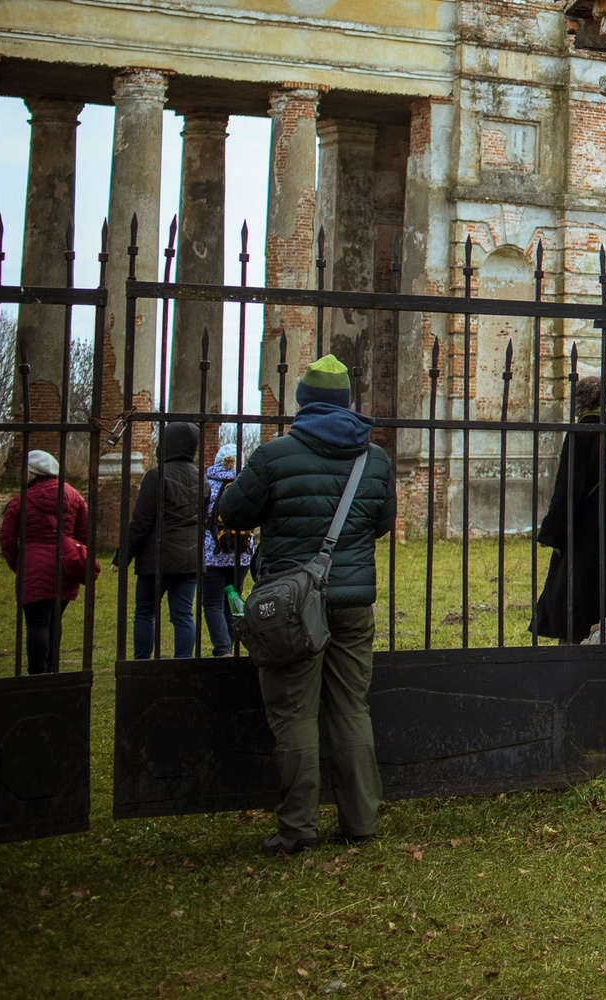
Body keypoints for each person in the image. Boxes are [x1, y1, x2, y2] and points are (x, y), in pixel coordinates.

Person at [209, 353, 396, 855]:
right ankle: (361, 821)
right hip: (353, 602)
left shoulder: (274, 456)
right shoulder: (375, 460)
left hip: (291, 605)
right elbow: (380, 524)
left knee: (294, 713)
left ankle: (297, 829)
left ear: (303, 403)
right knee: (351, 708)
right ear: (346, 403)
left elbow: (231, 511)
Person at [532, 377, 606, 644]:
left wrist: (551, 534)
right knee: (601, 591)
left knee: (573, 596)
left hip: (580, 531)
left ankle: (573, 646)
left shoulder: (578, 435)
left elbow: (567, 492)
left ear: (579, 404)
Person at [0, 449, 89, 675]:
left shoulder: (21, 500)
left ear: (32, 473)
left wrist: (18, 565)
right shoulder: (74, 496)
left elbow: (8, 539)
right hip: (64, 566)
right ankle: (53, 668)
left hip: (32, 565)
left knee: (36, 623)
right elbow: (85, 534)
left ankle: (38, 672)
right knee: (54, 620)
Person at [120, 420, 204, 660]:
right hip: (189, 559)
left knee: (145, 612)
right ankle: (183, 663)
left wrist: (123, 556)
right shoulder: (202, 479)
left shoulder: (156, 477)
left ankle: (143, 663)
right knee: (183, 615)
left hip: (156, 561)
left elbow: (141, 522)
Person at [201, 436, 255, 658]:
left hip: (213, 554)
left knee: (213, 603)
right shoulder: (248, 484)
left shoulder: (208, 484)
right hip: (241, 556)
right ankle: (235, 645)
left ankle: (222, 649)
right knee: (233, 598)